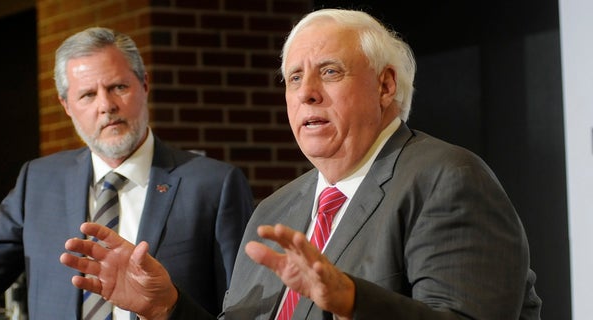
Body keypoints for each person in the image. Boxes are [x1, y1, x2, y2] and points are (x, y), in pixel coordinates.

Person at [60, 8, 543, 320]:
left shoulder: (447, 179)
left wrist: (351, 298)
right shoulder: (275, 210)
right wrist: (168, 307)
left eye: (329, 71)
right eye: (294, 78)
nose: (306, 91)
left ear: (385, 86)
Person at [0, 27, 254, 319]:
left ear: (145, 85)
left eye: (118, 87)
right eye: (87, 95)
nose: (106, 106)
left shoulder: (214, 185)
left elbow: (243, 310)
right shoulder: (38, 181)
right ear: (66, 105)